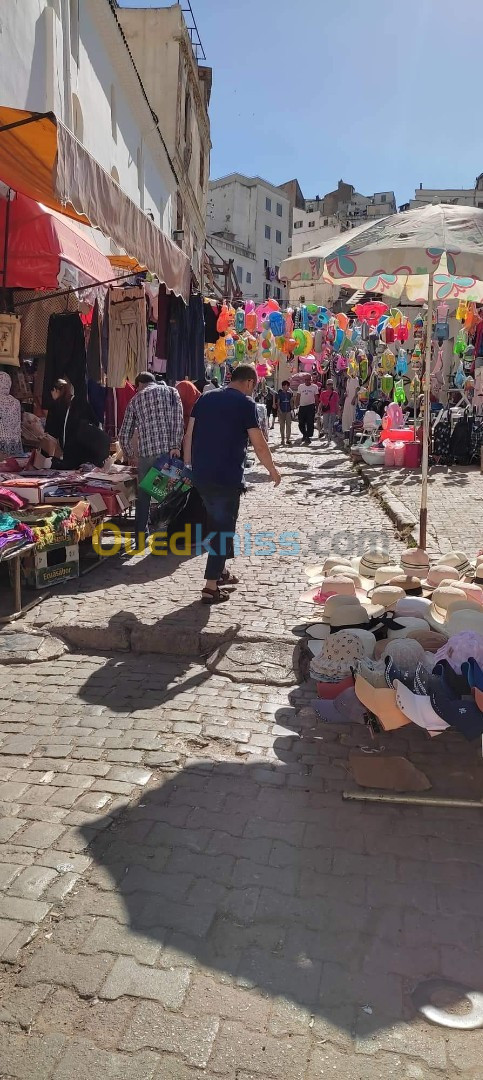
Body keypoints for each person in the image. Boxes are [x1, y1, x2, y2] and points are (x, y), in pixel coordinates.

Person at [183, 363, 281, 604]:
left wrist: (187, 466)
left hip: (202, 475)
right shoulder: (245, 404)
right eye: (253, 386)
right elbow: (258, 443)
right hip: (225, 477)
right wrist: (272, 469)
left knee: (219, 523)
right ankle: (210, 587)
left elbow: (189, 434)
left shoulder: (205, 398)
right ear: (248, 382)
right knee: (223, 530)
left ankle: (221, 571)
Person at [119, 371, 183, 544]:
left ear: (139, 385)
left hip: (146, 455)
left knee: (144, 496)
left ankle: (141, 535)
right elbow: (178, 420)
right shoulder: (171, 392)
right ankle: (165, 535)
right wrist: (176, 445)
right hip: (167, 453)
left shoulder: (135, 400)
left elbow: (124, 434)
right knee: (168, 494)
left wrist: (130, 455)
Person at [45, 378, 106, 469]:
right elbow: (96, 422)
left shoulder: (56, 405)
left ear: (55, 390)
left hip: (70, 454)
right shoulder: (82, 402)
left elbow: (51, 435)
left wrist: (48, 459)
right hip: (88, 452)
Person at [296, 374, 318, 444]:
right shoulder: (301, 386)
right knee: (301, 423)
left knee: (310, 423)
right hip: (302, 406)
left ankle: (307, 436)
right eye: (305, 380)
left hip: (311, 406)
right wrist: (296, 404)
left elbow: (316, 397)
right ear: (304, 380)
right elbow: (298, 396)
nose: (307, 381)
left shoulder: (314, 387)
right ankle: (305, 434)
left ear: (311, 380)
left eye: (308, 380)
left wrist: (317, 406)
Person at [318, 379, 340, 443]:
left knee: (331, 424)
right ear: (326, 385)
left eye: (331, 384)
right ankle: (326, 433)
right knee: (325, 424)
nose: (330, 386)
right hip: (325, 411)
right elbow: (321, 402)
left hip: (333, 411)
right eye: (329, 384)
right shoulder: (323, 393)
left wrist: (338, 412)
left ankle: (329, 437)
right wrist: (319, 410)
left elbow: (337, 403)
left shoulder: (335, 393)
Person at [342, 375, 359, 440]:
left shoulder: (355, 379)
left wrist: (354, 398)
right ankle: (346, 432)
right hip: (347, 400)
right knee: (346, 415)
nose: (344, 373)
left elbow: (357, 388)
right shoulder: (347, 380)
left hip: (353, 400)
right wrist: (345, 394)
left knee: (352, 415)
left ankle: (352, 434)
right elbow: (347, 390)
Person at [277, 380, 294, 446]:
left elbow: (291, 402)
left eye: (288, 386)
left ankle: (288, 439)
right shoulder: (280, 394)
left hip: (288, 411)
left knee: (288, 425)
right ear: (283, 386)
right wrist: (279, 410)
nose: (287, 387)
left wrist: (292, 409)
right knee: (282, 426)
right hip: (282, 411)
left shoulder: (289, 394)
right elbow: (278, 403)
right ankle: (282, 439)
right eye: (287, 386)